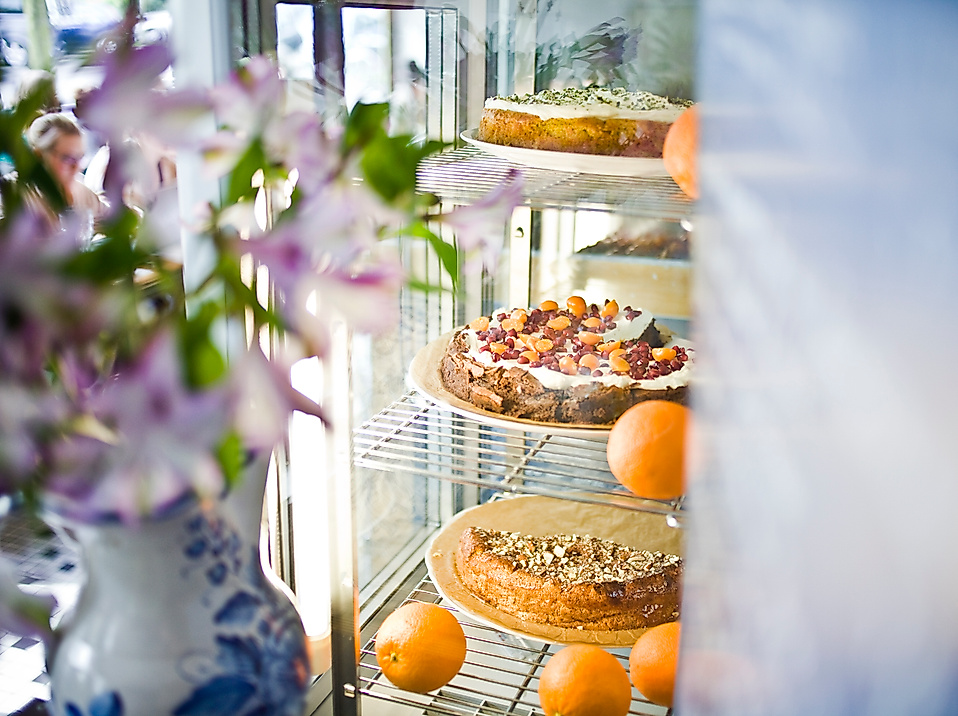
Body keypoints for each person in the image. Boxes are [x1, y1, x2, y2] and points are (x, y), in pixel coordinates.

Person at [25, 112, 109, 236]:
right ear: (39, 156)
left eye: (79, 158)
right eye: (67, 158)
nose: (76, 167)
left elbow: (113, 217)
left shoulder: (79, 192)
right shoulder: (15, 197)